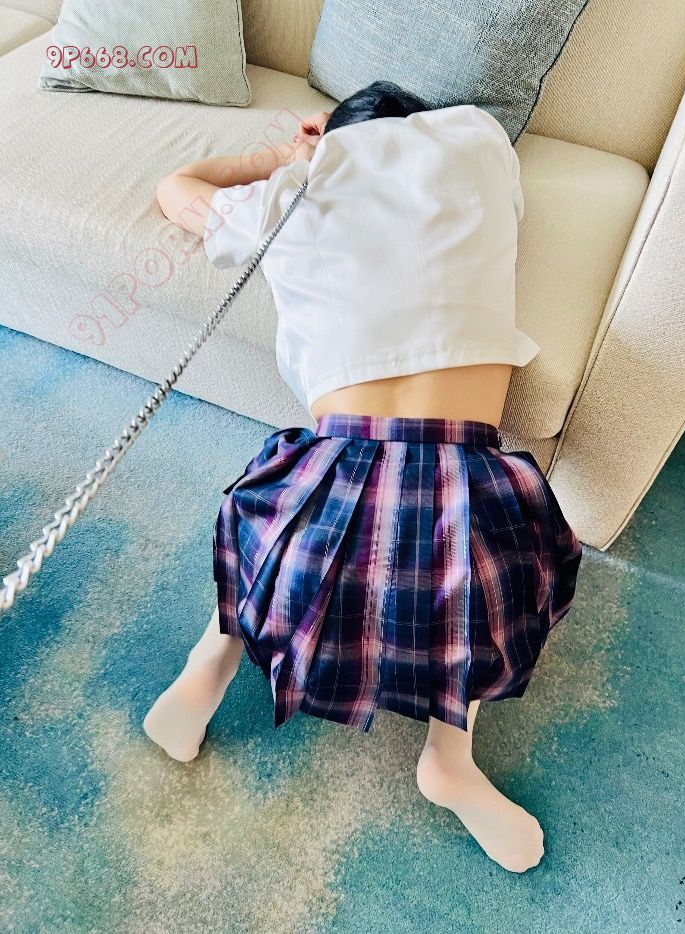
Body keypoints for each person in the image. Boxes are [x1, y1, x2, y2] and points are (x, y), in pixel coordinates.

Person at [143, 81, 583, 874]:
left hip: (326, 513)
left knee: (269, 521)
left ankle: (207, 667)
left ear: (328, 137)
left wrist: (287, 157)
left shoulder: (292, 191)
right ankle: (448, 757)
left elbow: (174, 189)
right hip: (467, 491)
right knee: (488, 578)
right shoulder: (482, 146)